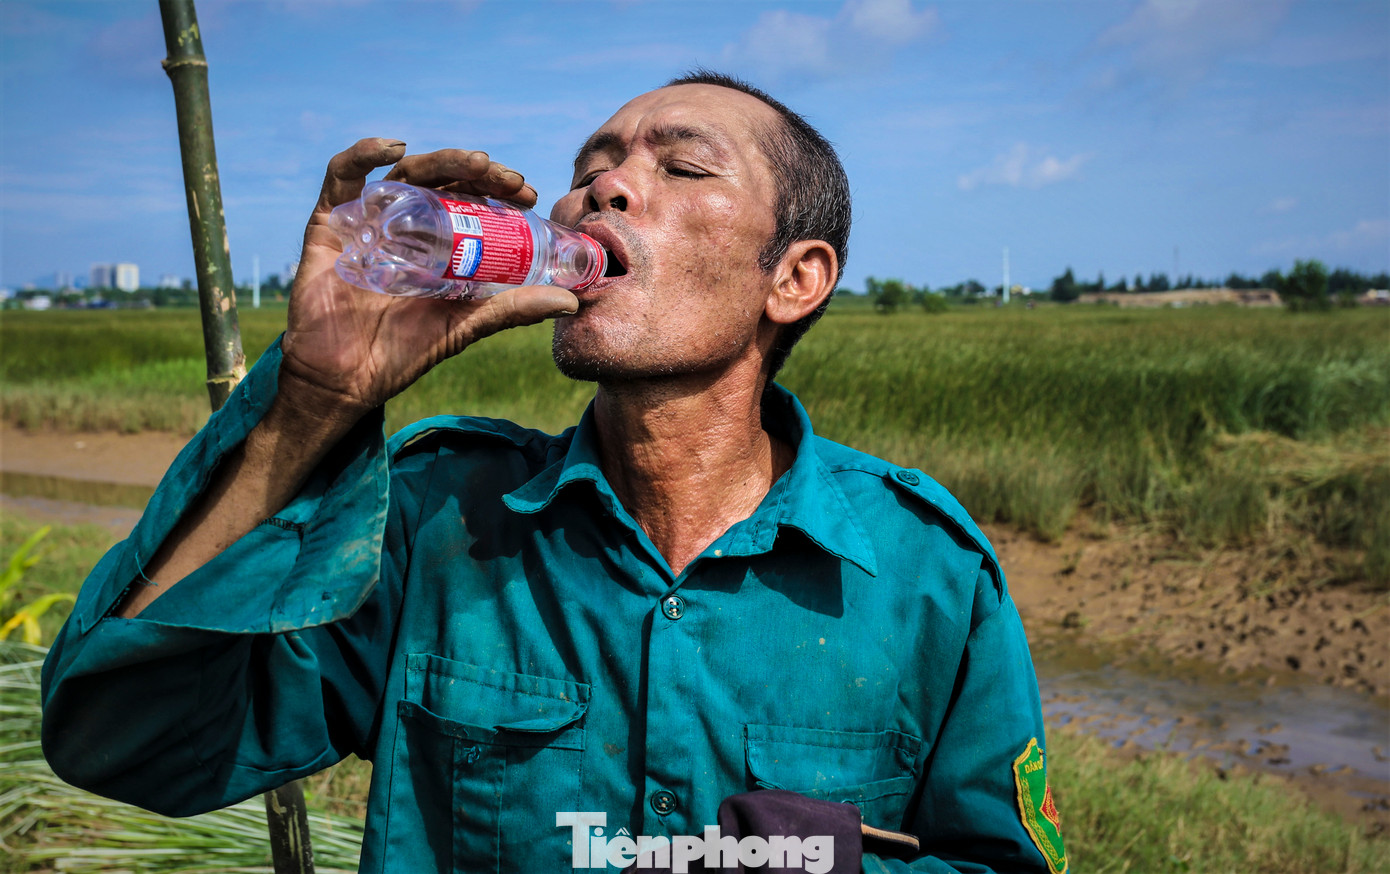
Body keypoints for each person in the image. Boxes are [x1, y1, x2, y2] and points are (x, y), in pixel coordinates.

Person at [41, 72, 1066, 874]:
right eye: (597, 165)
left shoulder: (924, 575)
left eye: (683, 169)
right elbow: (120, 741)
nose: (603, 187)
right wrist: (316, 396)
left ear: (793, 279)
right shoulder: (439, 520)